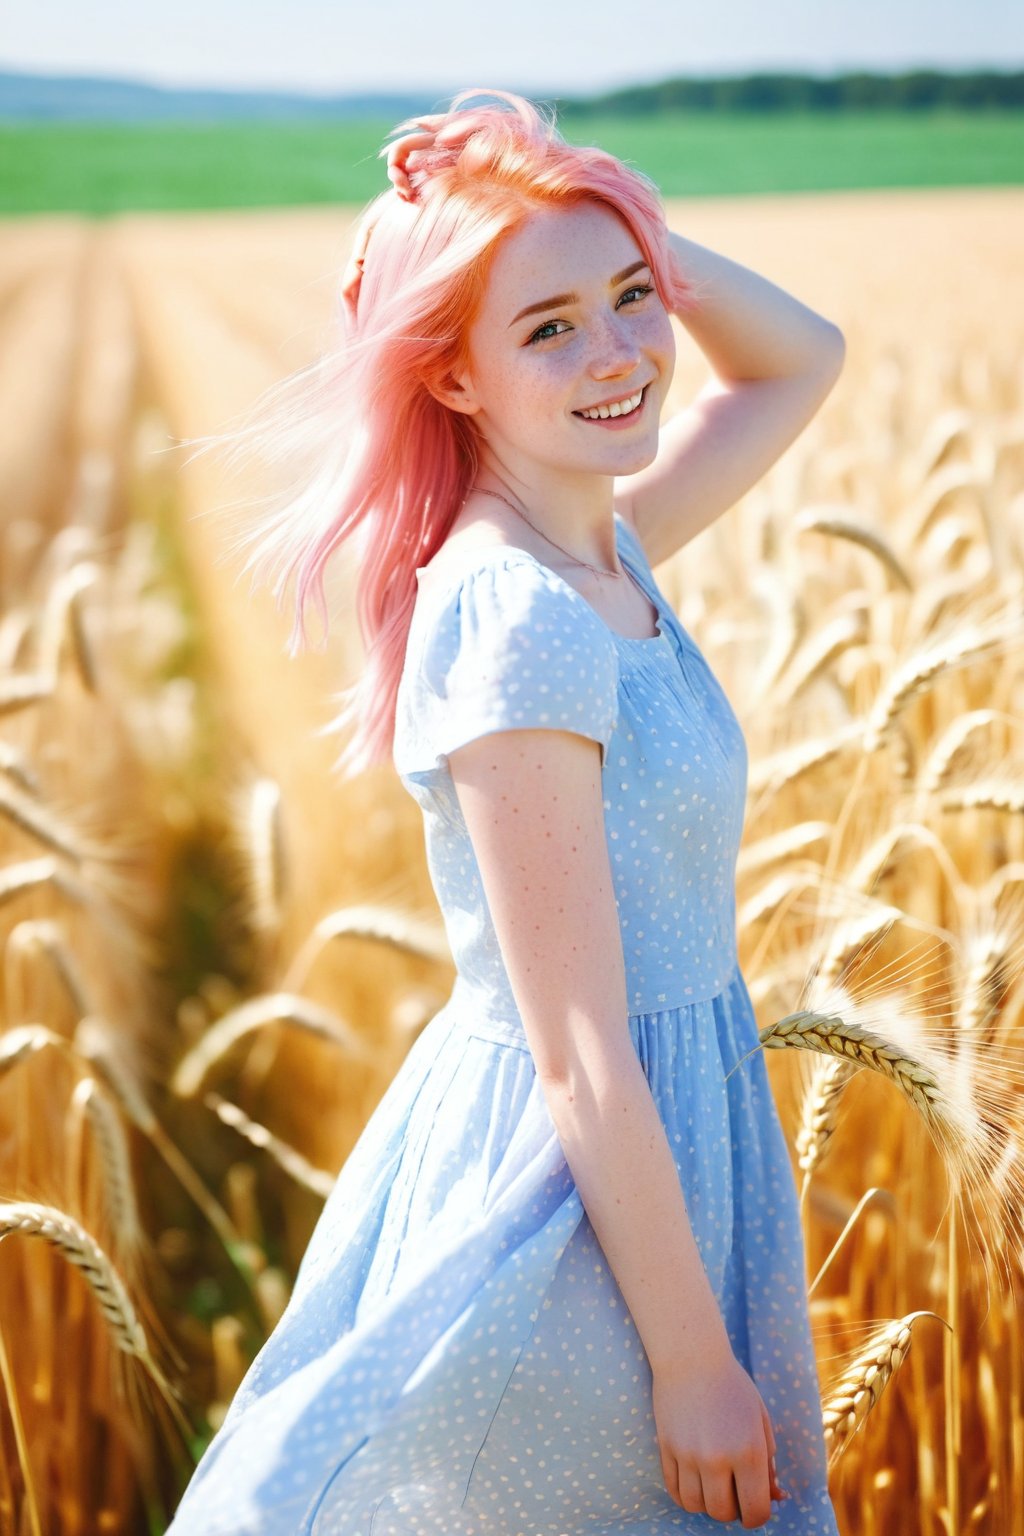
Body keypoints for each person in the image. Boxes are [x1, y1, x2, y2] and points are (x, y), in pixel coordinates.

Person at [166, 87, 845, 1534]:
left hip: (673, 1150)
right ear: (453, 377)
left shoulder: (601, 547)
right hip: (587, 1226)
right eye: (547, 329)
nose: (619, 356)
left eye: (630, 303)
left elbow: (802, 363)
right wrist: (690, 1361)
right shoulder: (519, 611)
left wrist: (610, 228)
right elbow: (585, 1053)